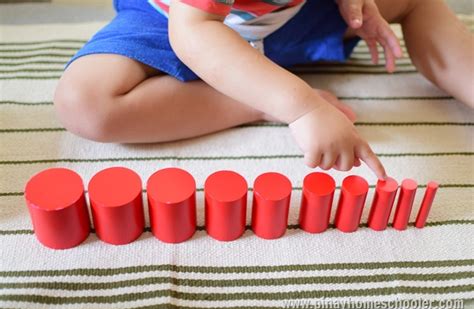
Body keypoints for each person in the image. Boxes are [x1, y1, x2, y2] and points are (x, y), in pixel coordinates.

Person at [54, 0, 474, 179]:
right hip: (178, 21)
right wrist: (300, 107)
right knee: (85, 105)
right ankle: (248, 98)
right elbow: (195, 31)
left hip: (290, 17)